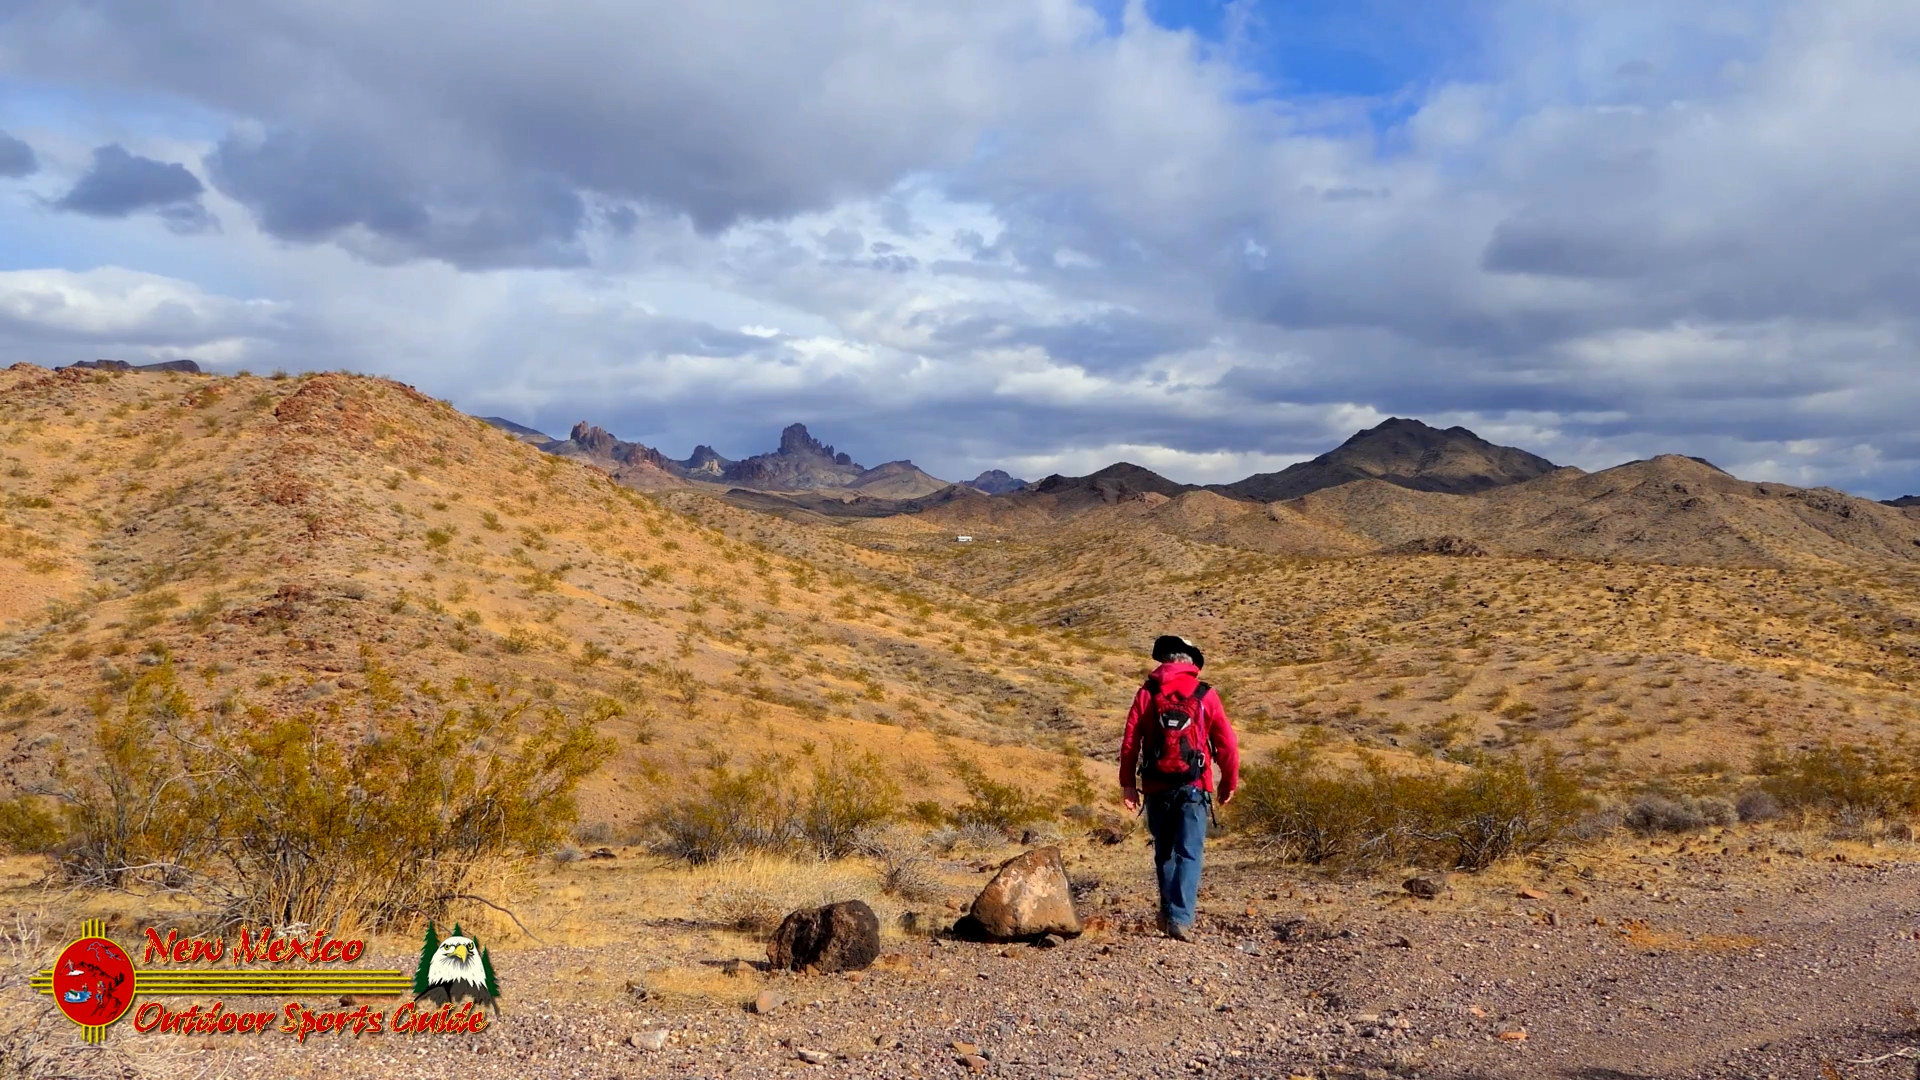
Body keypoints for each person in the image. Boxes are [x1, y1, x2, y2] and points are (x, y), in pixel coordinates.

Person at [1118, 634, 1240, 941]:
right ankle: (1180, 918)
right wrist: (1228, 782)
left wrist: (1128, 784)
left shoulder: (1147, 692)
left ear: (1164, 661)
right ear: (1192, 663)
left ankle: (1169, 912)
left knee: (1165, 852)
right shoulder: (1205, 694)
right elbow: (1227, 745)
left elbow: (1131, 741)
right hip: (1194, 786)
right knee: (1189, 853)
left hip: (1156, 786)